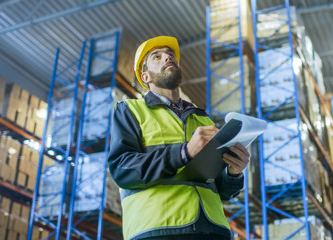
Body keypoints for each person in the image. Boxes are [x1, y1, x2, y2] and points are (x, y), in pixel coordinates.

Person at [107, 36, 250, 240]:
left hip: (212, 229)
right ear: (145, 77)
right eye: (157, 56)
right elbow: (122, 170)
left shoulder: (203, 119)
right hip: (158, 228)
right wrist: (184, 152)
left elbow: (222, 190)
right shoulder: (130, 110)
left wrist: (233, 173)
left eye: (170, 54)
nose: (167, 57)